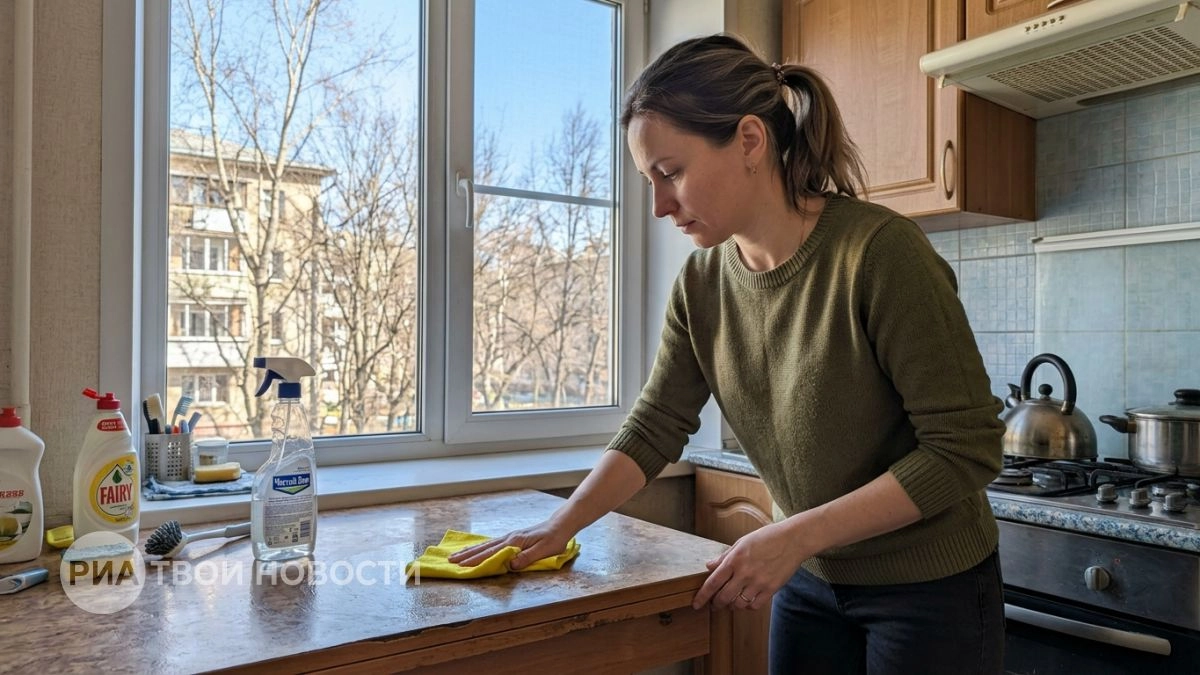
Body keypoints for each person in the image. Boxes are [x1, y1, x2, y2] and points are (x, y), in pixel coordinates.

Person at [449, 33, 1005, 675]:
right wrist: (563, 524)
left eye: (670, 173)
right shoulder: (702, 282)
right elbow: (655, 425)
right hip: (809, 578)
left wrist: (791, 536)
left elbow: (964, 449)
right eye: (648, 181)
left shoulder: (880, 254)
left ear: (749, 140)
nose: (659, 206)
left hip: (929, 590)